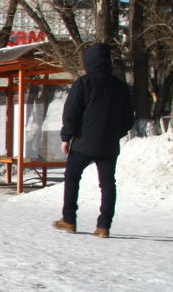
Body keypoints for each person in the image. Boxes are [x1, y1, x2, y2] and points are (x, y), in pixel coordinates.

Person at [53, 42, 135, 238]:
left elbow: (71, 113)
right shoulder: (120, 86)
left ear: (89, 62)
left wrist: (67, 137)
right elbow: (128, 118)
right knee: (107, 184)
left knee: (72, 177)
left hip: (83, 142)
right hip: (109, 145)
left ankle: (69, 219)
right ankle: (103, 225)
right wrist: (116, 134)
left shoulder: (83, 83)